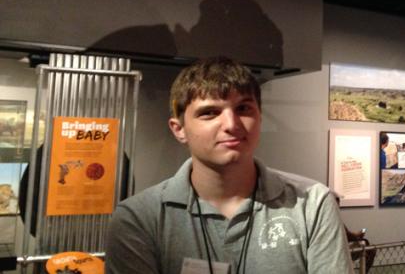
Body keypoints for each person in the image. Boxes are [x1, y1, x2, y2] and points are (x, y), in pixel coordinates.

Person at [105, 57, 353, 274]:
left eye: (243, 108)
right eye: (210, 113)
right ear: (179, 129)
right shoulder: (137, 219)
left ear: (259, 118)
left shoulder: (312, 204)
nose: (231, 124)